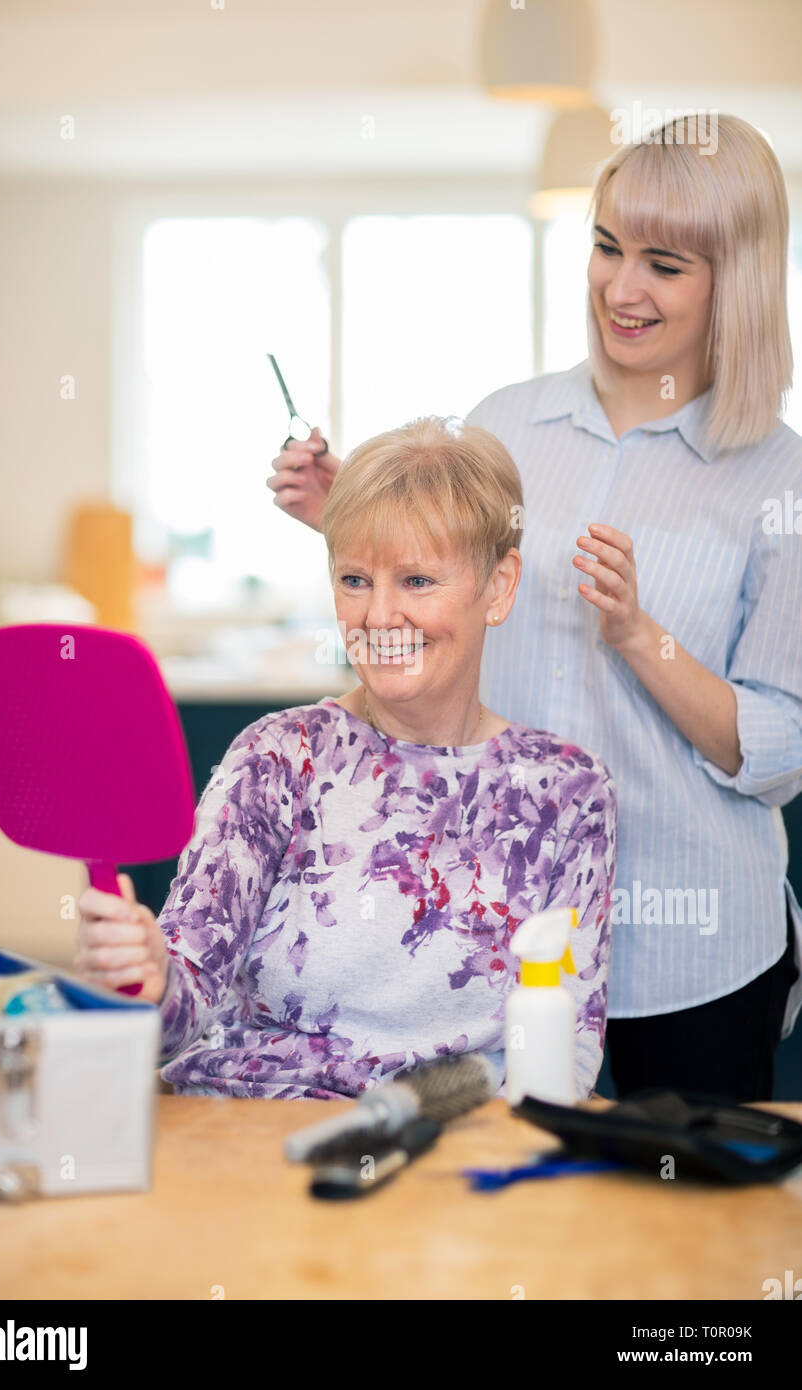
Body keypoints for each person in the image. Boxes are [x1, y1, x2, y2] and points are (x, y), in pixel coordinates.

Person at [267, 112, 802, 1102]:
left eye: (663, 264)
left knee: (669, 1239)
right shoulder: (508, 420)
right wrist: (346, 520)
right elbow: (454, 590)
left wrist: (641, 637)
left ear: (735, 282)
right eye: (605, 248)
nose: (620, 287)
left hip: (685, 953)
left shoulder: (777, 477)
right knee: (507, 1223)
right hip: (501, 928)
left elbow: (773, 753)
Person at [75, 418, 617, 1099]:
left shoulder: (566, 792)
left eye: (417, 581)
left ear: (499, 586)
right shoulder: (277, 760)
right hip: (251, 1134)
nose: (378, 616)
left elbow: (566, 1055)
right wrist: (147, 977)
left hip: (448, 1152)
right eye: (355, 579)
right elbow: (178, 1012)